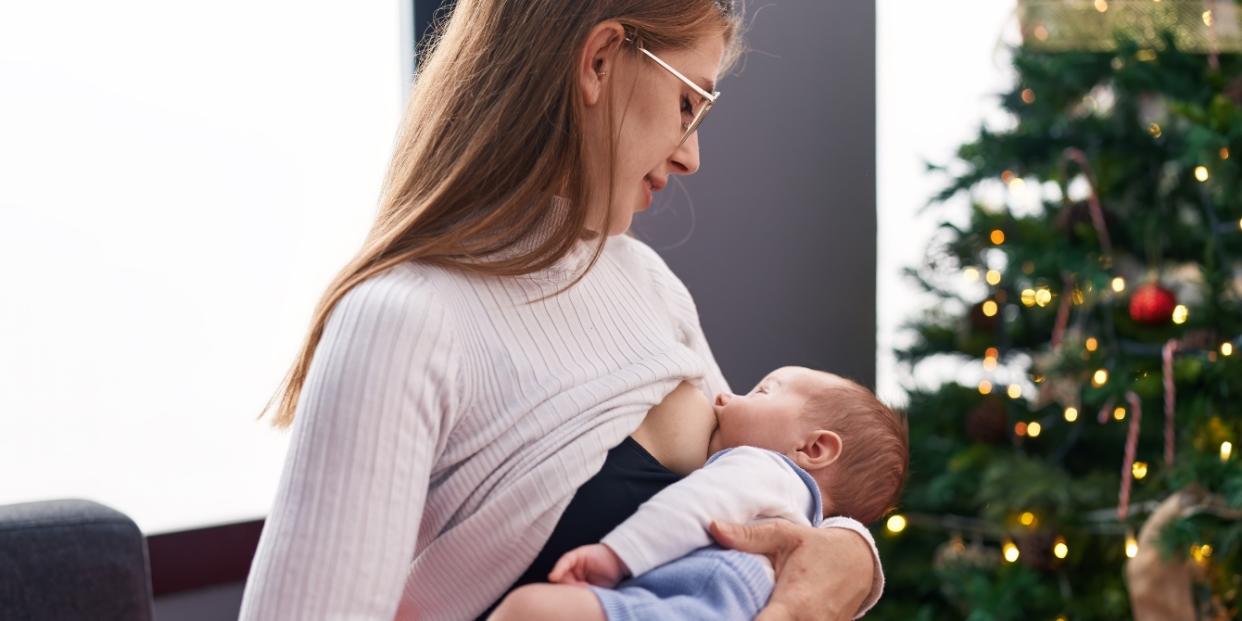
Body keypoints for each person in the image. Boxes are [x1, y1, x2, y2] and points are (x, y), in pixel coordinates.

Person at [238, 1, 885, 619]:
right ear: (600, 59)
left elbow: (784, 486)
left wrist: (854, 553)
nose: (691, 155)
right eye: (688, 103)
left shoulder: (649, 285)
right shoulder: (402, 323)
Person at [487, 367, 908, 620]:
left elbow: (690, 508)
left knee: (529, 610)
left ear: (813, 448)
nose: (724, 395)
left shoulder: (762, 468)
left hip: (709, 596)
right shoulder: (796, 510)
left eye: (761, 391)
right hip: (724, 600)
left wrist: (614, 557)